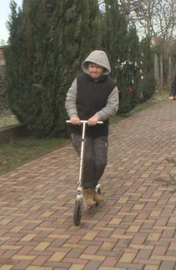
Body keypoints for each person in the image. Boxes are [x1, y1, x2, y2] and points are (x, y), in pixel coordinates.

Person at [65, 50, 119, 207]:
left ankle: (91, 187)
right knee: (87, 158)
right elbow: (70, 99)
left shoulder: (111, 85)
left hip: (99, 130)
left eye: (98, 67)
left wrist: (98, 116)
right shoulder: (79, 80)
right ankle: (88, 190)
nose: (94, 70)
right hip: (79, 129)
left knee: (100, 161)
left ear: (104, 68)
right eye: (91, 66)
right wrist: (73, 115)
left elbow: (113, 106)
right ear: (87, 66)